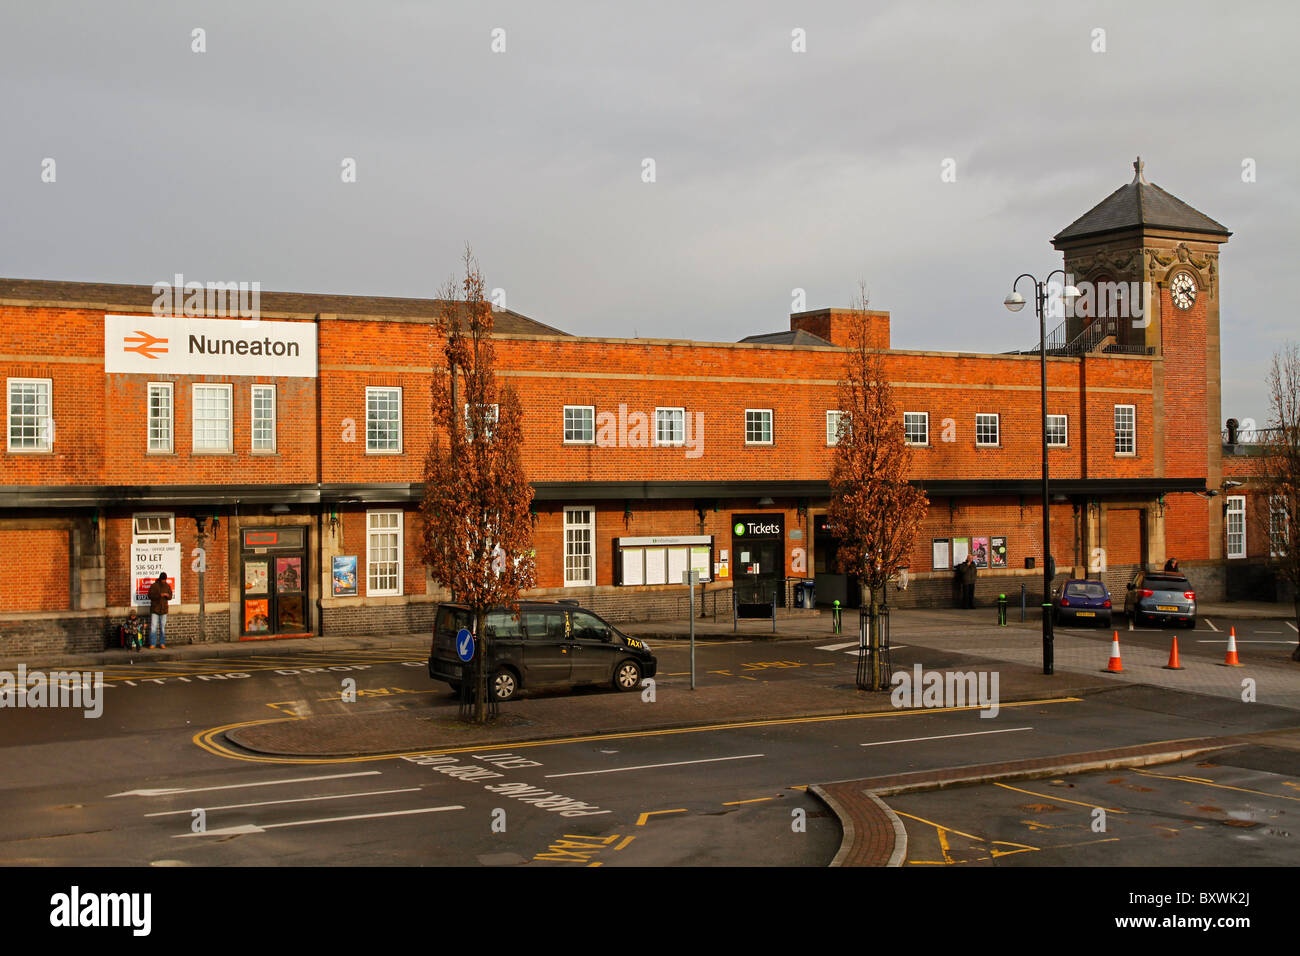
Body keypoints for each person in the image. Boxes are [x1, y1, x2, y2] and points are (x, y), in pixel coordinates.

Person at [146, 572, 173, 648]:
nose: (164, 581)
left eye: (164, 579)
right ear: (160, 578)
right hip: (155, 609)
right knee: (153, 627)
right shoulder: (154, 586)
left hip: (164, 609)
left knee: (162, 627)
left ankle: (162, 643)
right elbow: (149, 595)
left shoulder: (167, 586)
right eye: (163, 579)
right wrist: (159, 595)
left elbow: (170, 596)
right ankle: (152, 643)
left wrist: (167, 596)